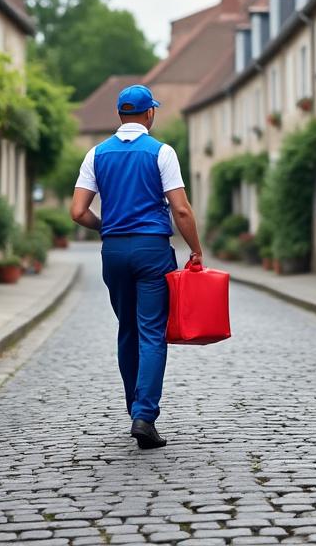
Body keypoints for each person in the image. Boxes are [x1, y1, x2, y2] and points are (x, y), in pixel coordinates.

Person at [69, 84, 204, 450]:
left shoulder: (96, 154)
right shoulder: (162, 152)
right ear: (149, 114)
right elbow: (180, 209)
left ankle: (135, 409)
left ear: (119, 115)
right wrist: (195, 249)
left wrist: (106, 227)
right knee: (152, 332)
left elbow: (78, 212)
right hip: (151, 251)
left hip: (113, 251)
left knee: (127, 329)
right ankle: (144, 415)